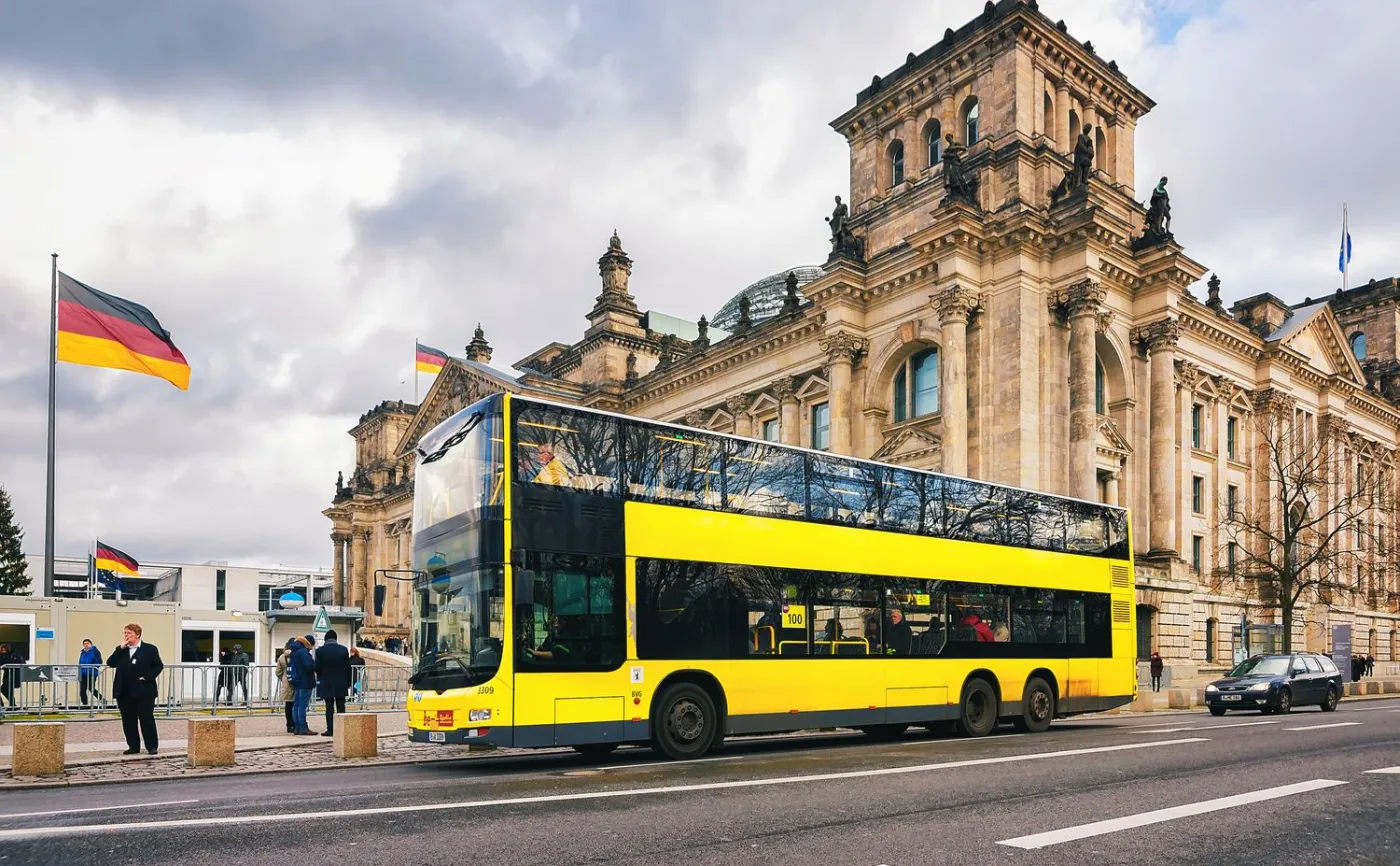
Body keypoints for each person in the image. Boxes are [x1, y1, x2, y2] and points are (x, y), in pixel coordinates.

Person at [106, 623, 164, 755]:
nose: (126, 636)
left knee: (146, 719)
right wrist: (120, 648)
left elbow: (158, 666)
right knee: (128, 720)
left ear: (137, 634)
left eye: (129, 633)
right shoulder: (121, 650)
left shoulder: (150, 649)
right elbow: (110, 662)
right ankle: (133, 746)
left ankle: (152, 746)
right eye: (125, 633)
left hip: (143, 691)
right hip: (124, 691)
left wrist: (147, 677)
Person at [314, 629, 352, 737]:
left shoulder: (320, 651)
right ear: (336, 639)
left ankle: (330, 729)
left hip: (327, 682)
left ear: (326, 639)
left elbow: (317, 667)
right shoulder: (343, 650)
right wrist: (348, 682)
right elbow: (347, 668)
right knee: (341, 706)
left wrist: (321, 676)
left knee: (329, 707)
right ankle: (341, 729)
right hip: (341, 682)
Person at [287, 635, 317, 735]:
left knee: (296, 705)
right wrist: (314, 664)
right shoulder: (303, 652)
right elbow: (309, 666)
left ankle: (297, 727)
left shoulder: (294, 651)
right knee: (302, 705)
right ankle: (303, 727)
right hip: (305, 681)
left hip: (297, 681)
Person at [274, 641, 296, 733]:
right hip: (296, 682)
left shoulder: (282, 657)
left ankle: (289, 725)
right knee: (296, 705)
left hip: (286, 683)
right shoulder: (296, 655)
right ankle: (296, 724)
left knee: (288, 705)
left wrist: (283, 678)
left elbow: (278, 672)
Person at [78, 638, 103, 706]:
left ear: (91, 644)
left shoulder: (95, 652)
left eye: (87, 643)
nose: (86, 645)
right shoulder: (82, 653)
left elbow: (99, 662)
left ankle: (102, 700)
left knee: (91, 688)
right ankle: (85, 703)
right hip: (83, 674)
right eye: (84, 644)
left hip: (91, 673)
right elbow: (80, 662)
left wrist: (93, 667)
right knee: (82, 690)